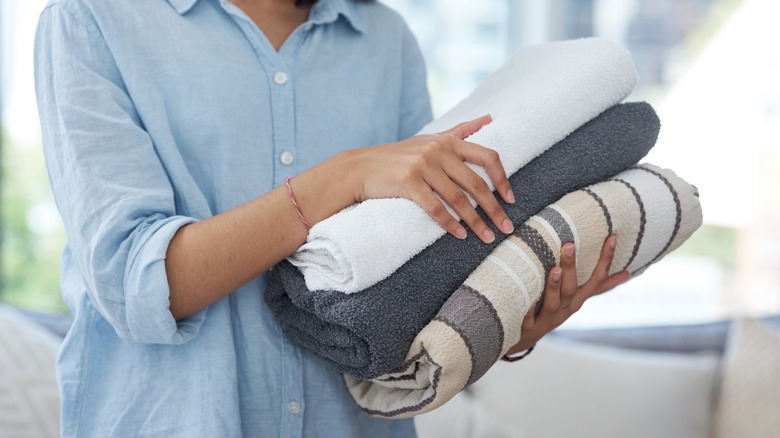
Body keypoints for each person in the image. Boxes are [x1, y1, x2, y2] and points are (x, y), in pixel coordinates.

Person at [34, 0, 629, 436]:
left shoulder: (385, 40)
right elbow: (136, 286)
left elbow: (408, 290)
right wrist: (340, 178)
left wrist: (501, 323)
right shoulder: (95, 19)